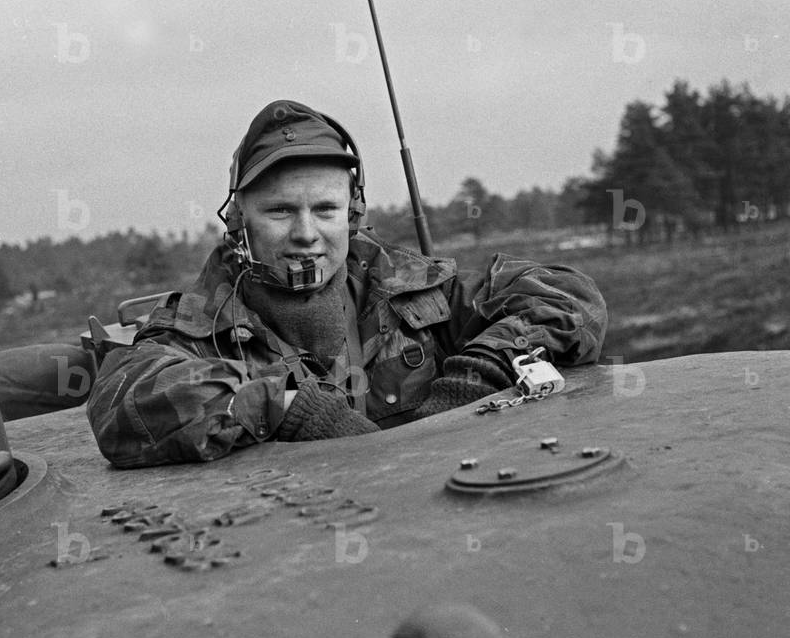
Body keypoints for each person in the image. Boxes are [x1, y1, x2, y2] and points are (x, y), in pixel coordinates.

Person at [87, 100, 607, 468]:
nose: (307, 234)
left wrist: (479, 372)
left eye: (325, 209)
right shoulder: (200, 327)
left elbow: (568, 295)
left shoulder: (414, 292)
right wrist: (287, 408)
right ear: (239, 220)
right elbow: (122, 402)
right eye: (280, 211)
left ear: (352, 213)